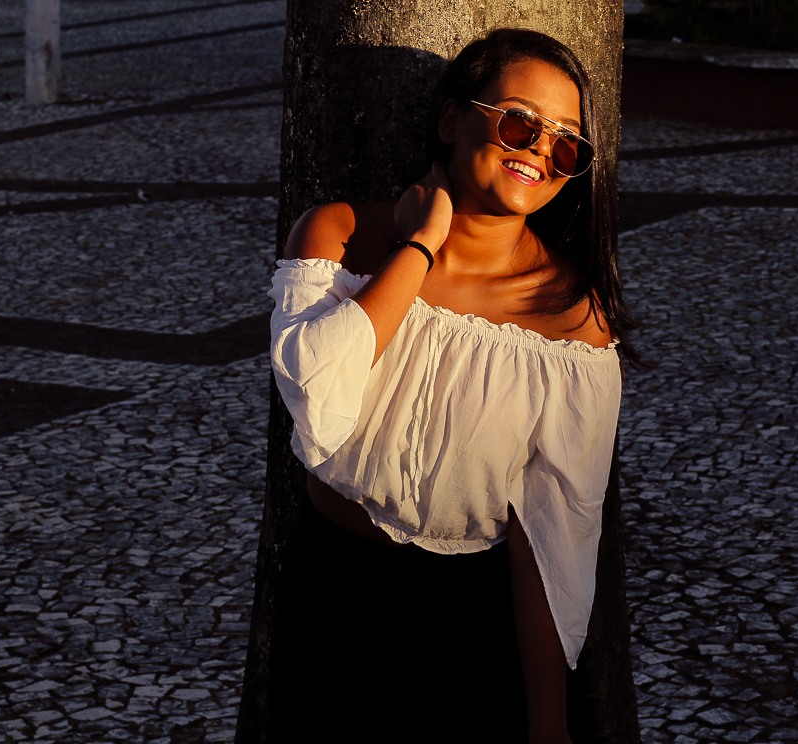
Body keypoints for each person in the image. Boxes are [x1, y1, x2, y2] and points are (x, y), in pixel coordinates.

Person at [265, 28, 641, 743]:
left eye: (566, 144)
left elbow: (549, 537)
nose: (539, 150)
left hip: (473, 622)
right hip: (333, 600)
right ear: (450, 120)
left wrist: (549, 725)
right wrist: (419, 247)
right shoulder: (339, 237)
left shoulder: (573, 319)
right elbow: (315, 394)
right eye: (520, 122)